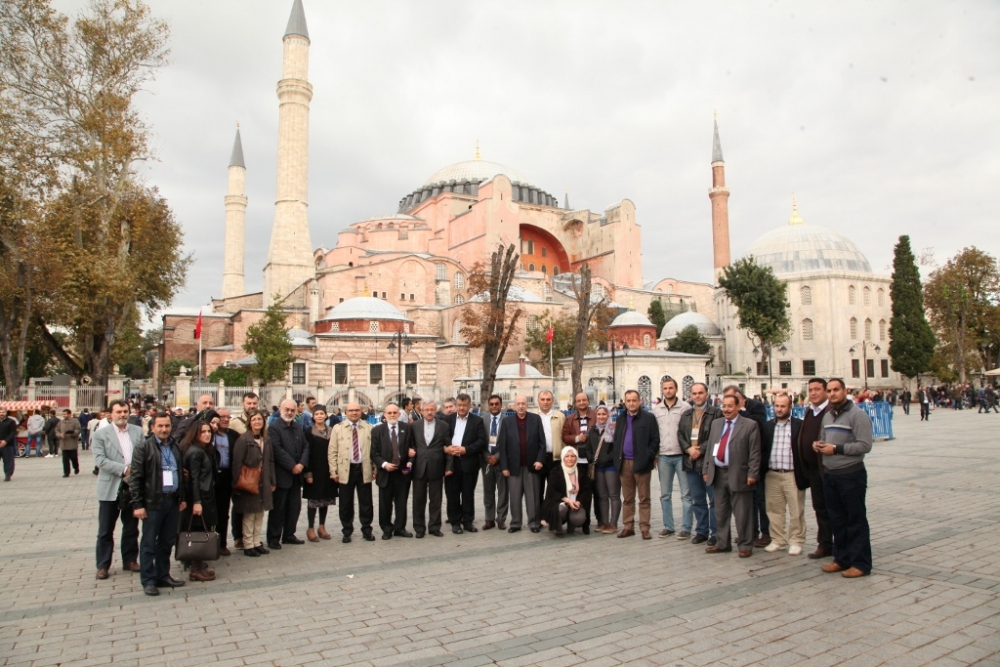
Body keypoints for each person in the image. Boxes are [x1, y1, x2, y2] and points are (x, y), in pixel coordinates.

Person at [814, 378, 874, 578]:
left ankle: (861, 563)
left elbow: (865, 445)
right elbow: (824, 438)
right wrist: (819, 445)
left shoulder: (858, 415)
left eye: (836, 390)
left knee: (854, 519)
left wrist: (836, 449)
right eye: (829, 390)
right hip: (831, 475)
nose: (832, 394)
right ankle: (841, 559)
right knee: (837, 520)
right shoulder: (828, 416)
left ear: (844, 391)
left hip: (851, 474)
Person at [128, 412, 187, 596]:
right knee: (149, 543)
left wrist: (182, 497)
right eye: (160, 426)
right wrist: (138, 504)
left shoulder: (175, 446)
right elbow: (135, 478)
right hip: (153, 502)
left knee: (167, 541)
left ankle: (163, 574)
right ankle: (148, 579)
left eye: (167, 426)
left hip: (172, 501)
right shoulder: (144, 448)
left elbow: (180, 474)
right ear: (152, 427)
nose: (164, 429)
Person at [703, 394, 761, 557]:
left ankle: (745, 545)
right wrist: (706, 469)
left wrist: (753, 473)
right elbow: (710, 449)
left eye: (730, 406)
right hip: (718, 474)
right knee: (720, 512)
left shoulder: (750, 425)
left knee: (743, 513)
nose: (726, 409)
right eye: (724, 406)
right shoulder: (716, 424)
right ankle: (722, 543)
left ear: (738, 407)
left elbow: (755, 452)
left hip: (740, 474)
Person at [92, 400, 143, 579]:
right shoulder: (101, 435)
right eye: (119, 412)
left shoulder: (137, 431)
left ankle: (130, 560)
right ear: (110, 414)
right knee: (106, 529)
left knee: (131, 527)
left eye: (125, 411)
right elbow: (100, 460)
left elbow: (143, 453)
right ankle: (103, 564)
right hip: (110, 486)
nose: (122, 414)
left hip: (133, 486)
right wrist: (124, 469)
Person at [724, 385, 770, 548]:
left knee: (760, 499)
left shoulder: (756, 406)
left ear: (740, 397)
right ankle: (750, 533)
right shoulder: (728, 414)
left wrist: (742, 410)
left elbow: (757, 424)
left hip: (756, 461)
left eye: (732, 401)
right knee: (747, 501)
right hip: (738, 463)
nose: (728, 405)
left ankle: (766, 533)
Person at [612, 390, 660, 539]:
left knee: (644, 498)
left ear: (640, 401)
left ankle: (644, 528)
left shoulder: (648, 418)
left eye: (634, 400)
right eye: (628, 400)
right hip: (624, 463)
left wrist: (648, 456)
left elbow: (655, 440)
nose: (631, 403)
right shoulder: (620, 418)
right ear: (625, 402)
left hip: (642, 463)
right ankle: (628, 526)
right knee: (627, 498)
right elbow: (617, 440)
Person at [679, 382, 723, 546]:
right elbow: (681, 435)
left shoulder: (716, 413)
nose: (697, 396)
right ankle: (701, 531)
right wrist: (688, 449)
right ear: (691, 396)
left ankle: (716, 532)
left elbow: (717, 436)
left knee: (714, 500)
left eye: (700, 393)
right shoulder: (686, 415)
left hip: (709, 462)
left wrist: (701, 449)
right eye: (694, 393)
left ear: (707, 394)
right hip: (691, 462)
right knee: (697, 499)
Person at [760, 394, 805, 555]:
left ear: (790, 407)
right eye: (777, 406)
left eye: (782, 406)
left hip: (792, 474)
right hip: (772, 474)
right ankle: (778, 539)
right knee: (774, 509)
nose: (779, 409)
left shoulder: (799, 425)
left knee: (796, 510)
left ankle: (796, 540)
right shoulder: (767, 426)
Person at [796, 378, 833, 559]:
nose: (813, 393)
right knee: (819, 507)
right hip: (812, 468)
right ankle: (825, 544)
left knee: (832, 507)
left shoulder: (831, 410)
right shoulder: (810, 410)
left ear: (825, 391)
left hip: (827, 468)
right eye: (811, 390)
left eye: (817, 389)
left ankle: (837, 543)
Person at [498, 395, 546, 533]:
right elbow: (503, 446)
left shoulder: (535, 419)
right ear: (514, 405)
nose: (520, 406)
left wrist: (539, 460)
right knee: (514, 496)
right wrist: (505, 466)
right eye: (518, 403)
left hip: (532, 465)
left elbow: (542, 443)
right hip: (514, 466)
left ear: (527, 405)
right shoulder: (507, 422)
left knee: (533, 497)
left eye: (523, 403)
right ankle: (515, 523)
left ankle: (534, 522)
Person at [651, 378, 692, 539]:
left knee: (686, 494)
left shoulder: (685, 408)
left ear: (676, 389)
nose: (668, 391)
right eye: (665, 388)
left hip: (681, 455)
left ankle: (686, 527)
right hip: (664, 456)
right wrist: (655, 455)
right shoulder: (657, 410)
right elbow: (655, 435)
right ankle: (668, 526)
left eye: (670, 388)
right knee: (665, 494)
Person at [231, 410, 276, 557]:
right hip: (249, 481)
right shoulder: (244, 440)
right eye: (254, 419)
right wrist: (236, 483)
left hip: (263, 481)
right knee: (250, 514)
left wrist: (272, 480)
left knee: (260, 513)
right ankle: (248, 544)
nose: (257, 422)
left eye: (260, 419)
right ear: (249, 422)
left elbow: (270, 461)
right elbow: (237, 462)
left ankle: (257, 542)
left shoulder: (266, 439)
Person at [267, 399, 310, 549]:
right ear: (280, 409)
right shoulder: (273, 428)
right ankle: (273, 538)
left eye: (292, 410)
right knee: (278, 509)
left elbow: (306, 446)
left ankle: (289, 535)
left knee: (294, 508)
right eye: (287, 409)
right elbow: (277, 450)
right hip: (281, 475)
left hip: (296, 476)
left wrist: (301, 464)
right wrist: (292, 465)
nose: (290, 412)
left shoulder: (298, 427)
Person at [330, 402, 374, 542]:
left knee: (366, 503)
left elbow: (375, 451)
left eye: (356, 410)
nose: (354, 413)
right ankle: (347, 531)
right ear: (345, 412)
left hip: (363, 468)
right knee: (345, 503)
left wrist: (375, 469)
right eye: (351, 411)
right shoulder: (338, 429)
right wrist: (333, 471)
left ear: (361, 411)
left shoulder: (369, 428)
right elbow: (332, 451)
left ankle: (367, 530)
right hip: (345, 470)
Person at [179, 420, 218, 581]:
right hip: (200, 496)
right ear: (195, 434)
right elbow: (194, 479)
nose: (207, 434)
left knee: (203, 529)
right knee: (198, 531)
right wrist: (197, 501)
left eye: (209, 431)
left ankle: (199, 564)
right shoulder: (195, 452)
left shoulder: (203, 449)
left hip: (205, 494)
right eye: (203, 432)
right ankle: (195, 568)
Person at [443, 393, 487, 533]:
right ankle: (455, 522)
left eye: (464, 405)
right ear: (456, 405)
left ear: (470, 406)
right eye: (459, 405)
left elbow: (481, 442)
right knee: (453, 494)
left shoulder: (477, 421)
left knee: (468, 494)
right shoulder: (447, 420)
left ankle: (468, 522)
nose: (461, 408)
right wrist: (448, 449)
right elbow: (442, 438)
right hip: (452, 463)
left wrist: (465, 449)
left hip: (469, 462)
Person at [407, 400, 450, 538]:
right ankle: (419, 528)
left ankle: (434, 527)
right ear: (422, 411)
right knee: (418, 500)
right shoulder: (415, 426)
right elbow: (411, 444)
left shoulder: (444, 426)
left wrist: (449, 467)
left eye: (432, 409)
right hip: (419, 467)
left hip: (437, 467)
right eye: (427, 410)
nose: (430, 412)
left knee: (436, 500)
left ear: (436, 411)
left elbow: (448, 447)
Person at [371, 403, 412, 539]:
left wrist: (409, 465)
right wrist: (383, 464)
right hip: (385, 472)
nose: (392, 415)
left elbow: (412, 449)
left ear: (399, 415)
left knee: (401, 503)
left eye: (395, 412)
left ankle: (400, 528)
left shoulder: (407, 428)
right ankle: (387, 529)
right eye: (390, 413)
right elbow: (374, 453)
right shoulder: (377, 431)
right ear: (385, 414)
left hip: (402, 472)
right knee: (385, 504)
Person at [561, 392, 597, 534]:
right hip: (576, 462)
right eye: (579, 400)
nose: (581, 402)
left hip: (592, 461)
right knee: (576, 492)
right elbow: (564, 436)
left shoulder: (595, 416)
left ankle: (588, 522)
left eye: (584, 400)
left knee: (591, 493)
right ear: (575, 403)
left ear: (588, 401)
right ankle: (573, 520)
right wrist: (577, 438)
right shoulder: (570, 419)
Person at [303, 404, 337, 542]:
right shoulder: (308, 432)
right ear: (313, 416)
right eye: (316, 414)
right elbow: (306, 453)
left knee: (325, 500)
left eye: (321, 414)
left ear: (325, 415)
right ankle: (310, 528)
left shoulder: (331, 431)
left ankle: (321, 526)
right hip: (314, 471)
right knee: (313, 501)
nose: (319, 416)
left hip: (328, 471)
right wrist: (308, 473)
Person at [541, 446, 592, 536]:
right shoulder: (556, 472)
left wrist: (579, 502)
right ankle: (557, 526)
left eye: (573, 456)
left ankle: (572, 524)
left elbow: (586, 490)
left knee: (579, 518)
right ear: (563, 457)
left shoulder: (581, 472)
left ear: (576, 457)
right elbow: (552, 492)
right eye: (567, 456)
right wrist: (567, 500)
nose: (570, 459)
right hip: (560, 503)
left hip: (576, 503)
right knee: (561, 508)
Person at [211, 409, 239, 556]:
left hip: (227, 477)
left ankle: (222, 544)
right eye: (222, 416)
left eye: (228, 416)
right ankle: (209, 544)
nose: (226, 419)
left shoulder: (233, 435)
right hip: (211, 477)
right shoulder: (209, 434)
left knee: (224, 512)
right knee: (210, 512)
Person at [588, 406, 620, 534]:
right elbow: (588, 448)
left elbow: (617, 448)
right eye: (599, 414)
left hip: (611, 466)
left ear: (608, 415)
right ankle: (604, 523)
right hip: (598, 467)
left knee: (613, 495)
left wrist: (607, 458)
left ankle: (613, 524)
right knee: (602, 496)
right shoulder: (593, 430)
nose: (601, 417)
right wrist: (591, 458)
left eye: (604, 414)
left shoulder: (613, 429)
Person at [480, 394, 509, 530]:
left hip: (501, 461)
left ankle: (501, 519)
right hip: (486, 461)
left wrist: (497, 456)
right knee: (488, 491)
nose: (494, 406)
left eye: (497, 404)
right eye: (491, 404)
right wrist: (487, 456)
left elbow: (510, 442)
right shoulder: (482, 420)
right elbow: (480, 441)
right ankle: (489, 519)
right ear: (488, 405)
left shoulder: (507, 421)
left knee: (503, 491)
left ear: (501, 405)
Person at [535, 390, 566, 515]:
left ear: (552, 401)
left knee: (554, 490)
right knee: (538, 490)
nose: (545, 402)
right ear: (538, 401)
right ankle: (539, 517)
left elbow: (564, 437)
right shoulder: (533, 416)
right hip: (538, 459)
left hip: (556, 458)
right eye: (543, 399)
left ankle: (553, 516)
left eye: (548, 399)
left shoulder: (560, 416)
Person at [55, 409, 81, 477]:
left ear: (69, 414)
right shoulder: (61, 422)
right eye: (63, 414)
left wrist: (72, 434)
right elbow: (57, 430)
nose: (64, 415)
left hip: (72, 443)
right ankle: (66, 472)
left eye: (65, 414)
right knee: (65, 459)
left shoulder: (75, 421)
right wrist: (59, 435)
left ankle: (76, 467)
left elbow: (78, 430)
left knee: (74, 458)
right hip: (64, 443)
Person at [0, 409, 17, 481]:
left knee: (8, 461)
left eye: (3, 412)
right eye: (0, 412)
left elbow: (13, 433)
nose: (1, 414)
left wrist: (6, 441)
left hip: (7, 444)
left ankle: (8, 475)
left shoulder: (11, 421)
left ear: (6, 413)